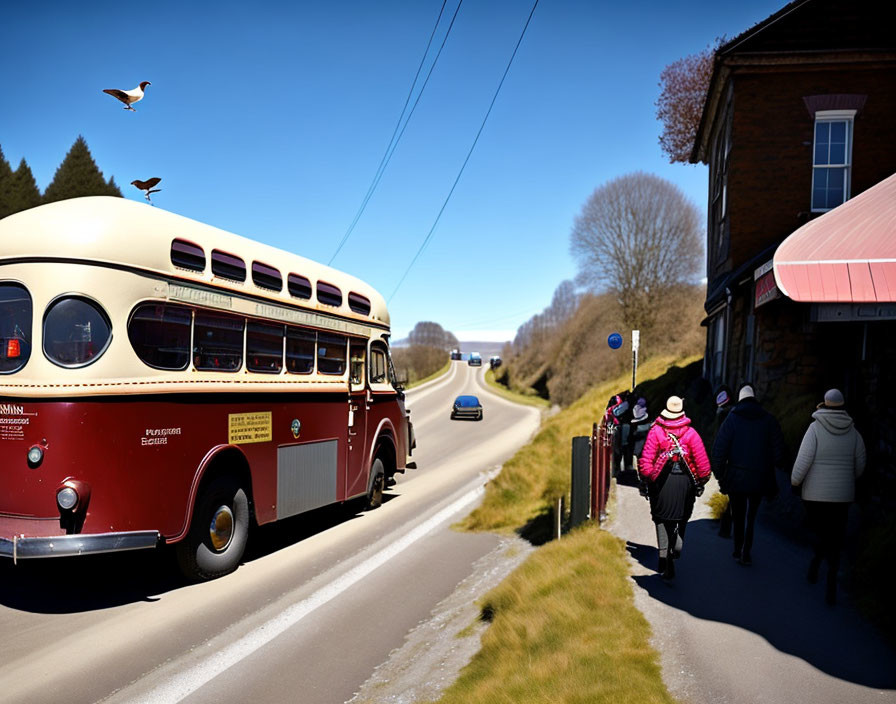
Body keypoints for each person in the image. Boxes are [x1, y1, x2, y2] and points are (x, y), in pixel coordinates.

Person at [791, 389, 866, 605]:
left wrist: (796, 482)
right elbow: (860, 463)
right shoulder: (854, 432)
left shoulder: (814, 429)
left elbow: (803, 460)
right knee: (836, 535)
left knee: (822, 533)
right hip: (843, 496)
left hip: (815, 496)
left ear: (824, 404)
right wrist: (849, 479)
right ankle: (831, 578)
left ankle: (816, 563)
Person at [711, 384, 785, 566]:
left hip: (736, 477)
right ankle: (747, 550)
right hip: (760, 477)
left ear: (740, 398)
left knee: (738, 513)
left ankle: (737, 549)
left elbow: (719, 450)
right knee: (751, 516)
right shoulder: (769, 420)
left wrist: (720, 475)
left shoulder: (732, 419)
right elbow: (779, 453)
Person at [640, 395, 711, 579]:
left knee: (661, 519)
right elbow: (703, 468)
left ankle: (663, 555)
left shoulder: (656, 432)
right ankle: (676, 546)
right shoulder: (691, 434)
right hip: (685, 484)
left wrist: (648, 478)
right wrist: (700, 482)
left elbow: (646, 462)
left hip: (662, 483)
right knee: (682, 518)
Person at [711, 385, 734, 538]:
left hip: (726, 459)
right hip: (734, 458)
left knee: (731, 495)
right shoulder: (734, 415)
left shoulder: (720, 416)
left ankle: (725, 528)